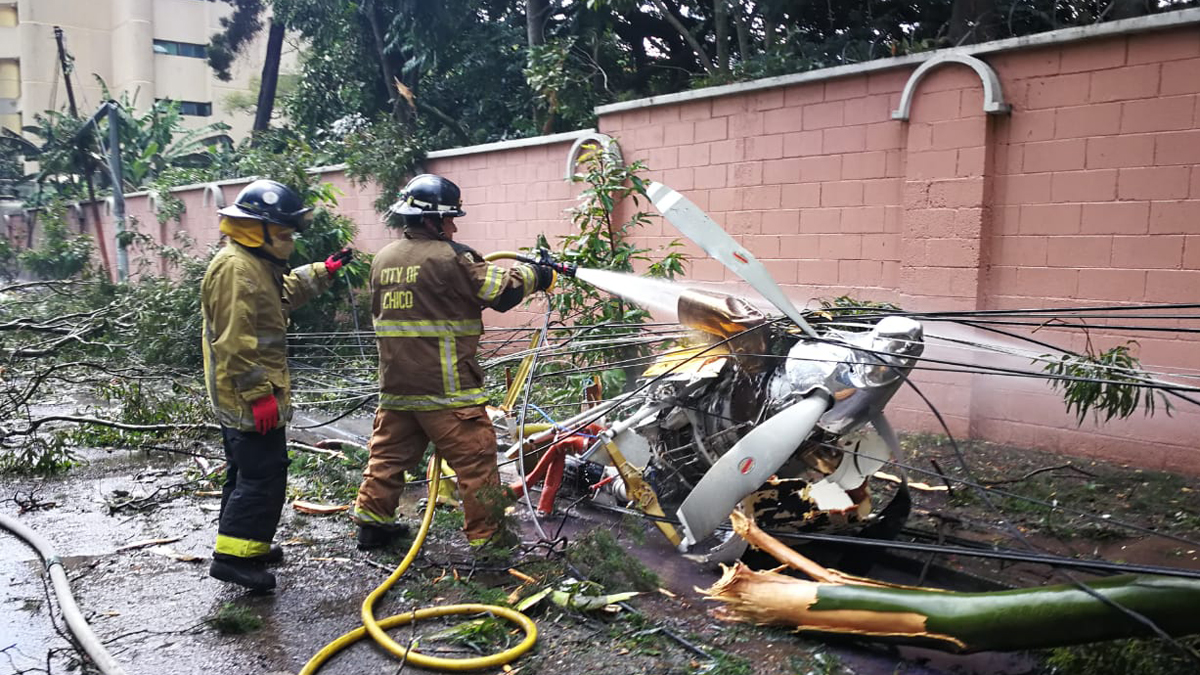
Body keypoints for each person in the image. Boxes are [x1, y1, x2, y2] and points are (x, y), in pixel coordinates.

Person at [351, 174, 555, 551]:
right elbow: (503, 293)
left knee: (387, 458)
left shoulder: (383, 259)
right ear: (430, 220)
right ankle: (488, 540)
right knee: (476, 464)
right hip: (447, 390)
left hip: (397, 387)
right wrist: (537, 273)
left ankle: (372, 526)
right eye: (449, 219)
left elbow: (429, 303)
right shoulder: (450, 258)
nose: (454, 226)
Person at [201, 179, 354, 592]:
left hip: (248, 393)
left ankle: (244, 545)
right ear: (260, 228)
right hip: (248, 395)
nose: (288, 240)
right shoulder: (236, 269)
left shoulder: (254, 263)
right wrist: (259, 395)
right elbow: (234, 342)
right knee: (263, 475)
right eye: (283, 232)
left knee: (246, 471)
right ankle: (235, 560)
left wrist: (325, 271)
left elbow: (282, 293)